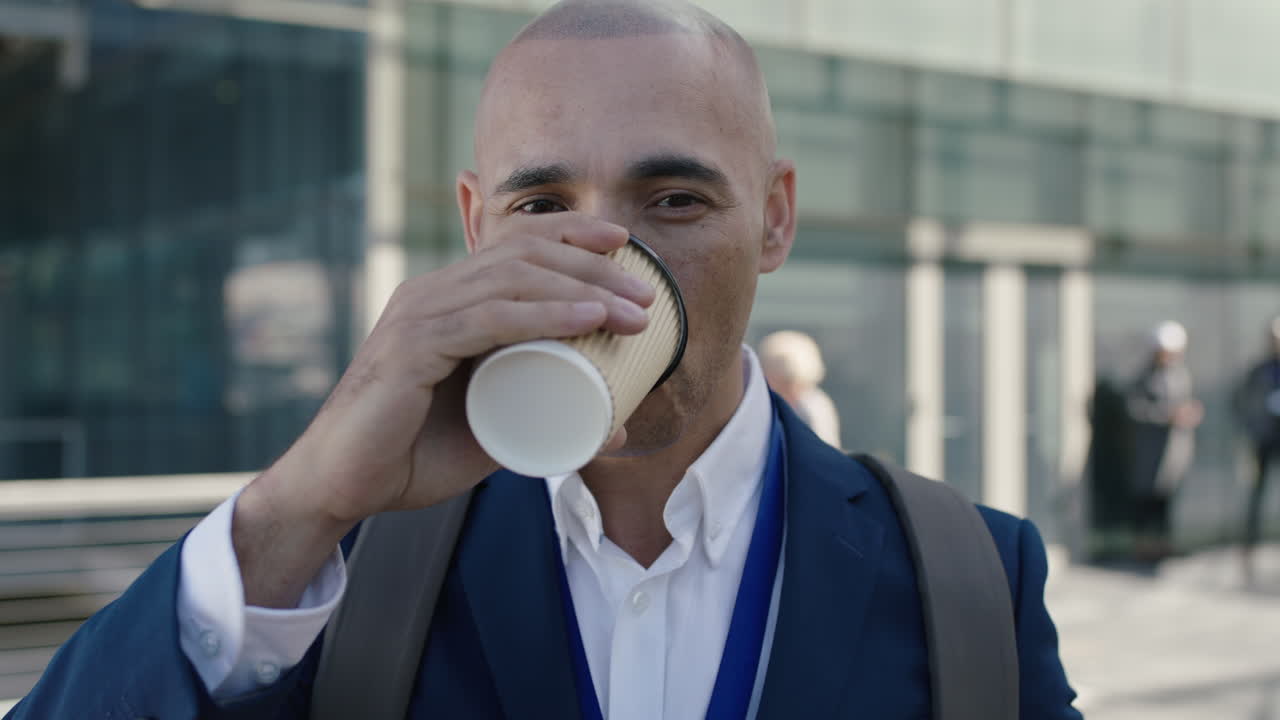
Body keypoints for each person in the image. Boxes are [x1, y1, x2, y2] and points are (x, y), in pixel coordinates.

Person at [9, 2, 1082, 718]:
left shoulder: (968, 576)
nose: (606, 263)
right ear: (477, 225)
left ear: (773, 218)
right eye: (540, 205)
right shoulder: (342, 579)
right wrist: (298, 504)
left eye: (674, 201)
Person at [1125, 321, 1202, 562]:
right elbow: (1135, 408)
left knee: (1167, 500)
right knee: (1146, 500)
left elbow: (1186, 403)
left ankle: (1164, 545)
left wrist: (1190, 412)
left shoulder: (1181, 373)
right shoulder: (1145, 376)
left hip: (1174, 452)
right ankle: (1143, 546)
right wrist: (1166, 416)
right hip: (1151, 452)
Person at [1235, 316, 1280, 582]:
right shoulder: (1259, 369)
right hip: (1264, 439)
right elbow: (1240, 400)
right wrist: (1253, 425)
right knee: (1257, 494)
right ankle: (1249, 547)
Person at [758, 330, 840, 447]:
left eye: (792, 384)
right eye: (783, 383)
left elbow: (825, 453)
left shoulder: (814, 408)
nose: (791, 392)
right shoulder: (760, 404)